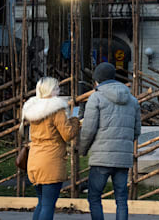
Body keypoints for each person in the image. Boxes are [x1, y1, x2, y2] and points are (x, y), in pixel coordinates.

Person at [79, 62, 142, 220]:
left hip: (101, 158)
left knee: (94, 197)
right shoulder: (132, 100)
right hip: (123, 158)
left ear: (97, 80)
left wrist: (83, 149)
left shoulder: (96, 97)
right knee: (121, 198)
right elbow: (136, 131)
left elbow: (88, 129)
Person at [22, 77, 79, 220]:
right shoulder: (56, 109)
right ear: (51, 90)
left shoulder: (33, 109)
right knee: (48, 205)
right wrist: (75, 121)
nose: (59, 91)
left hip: (35, 160)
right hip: (51, 161)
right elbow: (68, 134)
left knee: (41, 202)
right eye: (57, 88)